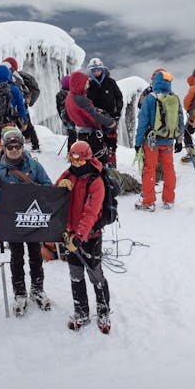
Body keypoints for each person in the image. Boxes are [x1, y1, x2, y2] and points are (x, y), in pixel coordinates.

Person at [0, 127, 53, 316]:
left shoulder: (34, 166)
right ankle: (20, 293)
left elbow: (48, 185)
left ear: (22, 146)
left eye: (17, 146)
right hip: (11, 220)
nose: (14, 149)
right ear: (5, 147)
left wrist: (33, 190)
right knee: (16, 257)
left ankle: (37, 289)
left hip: (32, 218)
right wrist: (8, 191)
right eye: (10, 146)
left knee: (35, 255)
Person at [56, 141, 112, 333]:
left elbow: (90, 212)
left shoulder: (95, 181)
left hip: (91, 236)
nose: (77, 165)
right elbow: (54, 200)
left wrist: (79, 236)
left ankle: (103, 312)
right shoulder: (68, 175)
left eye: (80, 161)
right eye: (73, 160)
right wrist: (58, 188)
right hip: (70, 235)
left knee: (95, 274)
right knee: (76, 275)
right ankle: (81, 311)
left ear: (88, 159)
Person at [133, 69, 184, 211]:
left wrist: (137, 144)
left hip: (152, 142)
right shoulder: (175, 98)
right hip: (168, 141)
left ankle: (148, 202)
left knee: (150, 169)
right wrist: (179, 140)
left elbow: (142, 122)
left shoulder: (150, 98)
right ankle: (169, 200)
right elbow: (180, 120)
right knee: (169, 169)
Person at [0, 63, 29, 171]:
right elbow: (21, 106)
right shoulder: (13, 88)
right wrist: (24, 120)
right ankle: (9, 167)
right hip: (9, 122)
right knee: (9, 144)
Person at [65, 71, 116, 163]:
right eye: (86, 81)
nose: (88, 83)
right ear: (80, 83)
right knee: (100, 159)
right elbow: (93, 116)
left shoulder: (71, 95)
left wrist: (95, 109)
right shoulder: (81, 99)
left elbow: (83, 111)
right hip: (89, 134)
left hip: (81, 132)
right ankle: (101, 175)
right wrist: (110, 122)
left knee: (87, 159)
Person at [85, 58, 123, 167]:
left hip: (110, 117)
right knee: (97, 141)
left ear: (102, 70)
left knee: (111, 141)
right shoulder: (89, 84)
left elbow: (119, 97)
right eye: (94, 70)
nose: (96, 72)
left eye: (98, 70)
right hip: (95, 118)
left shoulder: (110, 82)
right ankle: (98, 163)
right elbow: (86, 101)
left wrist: (117, 112)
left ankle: (111, 162)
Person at [3, 57, 43, 152]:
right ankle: (30, 140)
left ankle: (35, 144)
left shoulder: (14, 77)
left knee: (25, 124)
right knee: (24, 123)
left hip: (18, 105)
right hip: (21, 105)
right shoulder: (17, 76)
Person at [56, 74, 76, 151]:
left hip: (65, 118)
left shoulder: (59, 94)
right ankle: (76, 151)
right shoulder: (73, 94)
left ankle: (70, 151)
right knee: (75, 135)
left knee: (71, 135)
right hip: (73, 117)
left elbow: (58, 108)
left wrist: (62, 118)